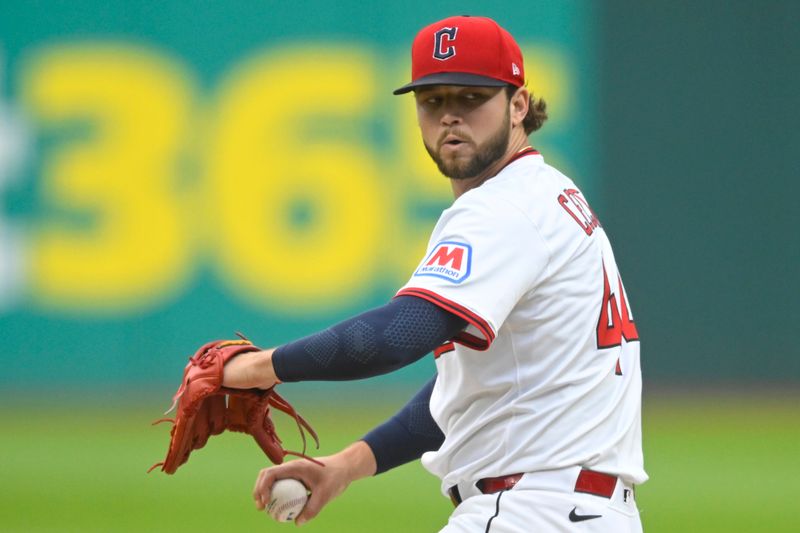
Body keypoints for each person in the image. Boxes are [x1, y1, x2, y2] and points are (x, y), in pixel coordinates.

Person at [222, 15, 647, 532]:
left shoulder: (503, 209)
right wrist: (347, 465)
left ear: (518, 105)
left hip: (529, 510)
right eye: (434, 100)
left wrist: (251, 369)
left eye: (471, 98)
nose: (451, 116)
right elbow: (468, 394)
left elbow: (393, 338)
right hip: (581, 512)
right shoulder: (543, 194)